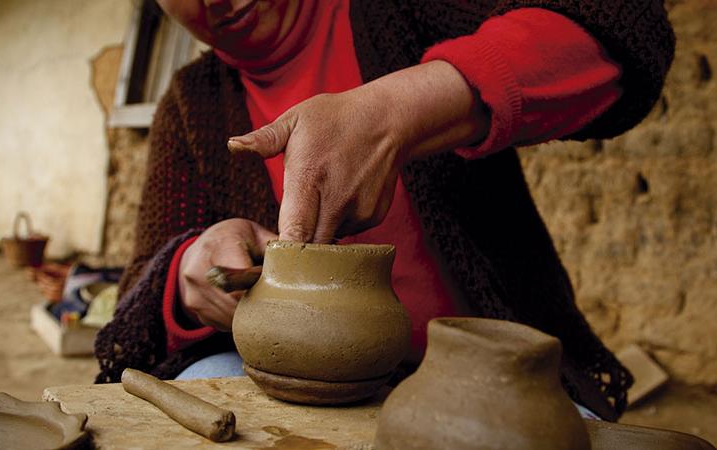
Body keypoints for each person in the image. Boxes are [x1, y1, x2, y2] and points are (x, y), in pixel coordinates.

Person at [95, 0, 675, 421]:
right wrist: (189, 272)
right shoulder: (191, 103)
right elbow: (141, 298)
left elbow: (621, 23)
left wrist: (400, 110)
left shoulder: (398, 10)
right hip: (297, 388)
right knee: (202, 388)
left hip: (487, 376)